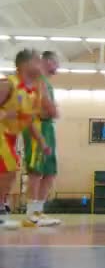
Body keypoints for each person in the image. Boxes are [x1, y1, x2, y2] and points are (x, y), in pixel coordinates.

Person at [0, 49, 52, 230]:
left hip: (11, 137)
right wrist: (6, 113)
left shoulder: (31, 92)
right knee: (9, 170)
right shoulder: (7, 84)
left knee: (10, 171)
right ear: (24, 65)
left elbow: (28, 120)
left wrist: (43, 142)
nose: (41, 65)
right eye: (37, 62)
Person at [22, 51, 61, 227]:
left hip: (48, 128)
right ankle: (30, 214)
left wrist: (51, 110)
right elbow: (35, 110)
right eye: (56, 63)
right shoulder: (37, 81)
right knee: (36, 171)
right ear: (47, 61)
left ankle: (39, 211)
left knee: (50, 172)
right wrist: (50, 110)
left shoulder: (46, 84)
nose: (58, 68)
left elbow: (51, 111)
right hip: (36, 127)